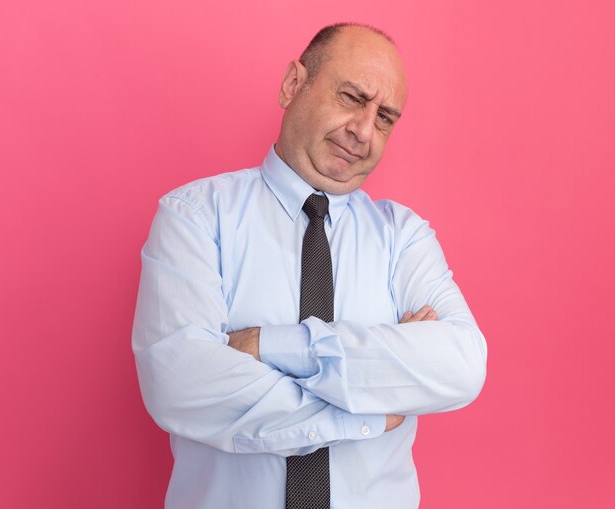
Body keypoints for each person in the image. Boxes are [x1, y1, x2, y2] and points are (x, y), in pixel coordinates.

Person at [132, 22, 487, 509]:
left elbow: (462, 365)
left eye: (384, 117)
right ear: (292, 85)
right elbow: (180, 381)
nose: (363, 130)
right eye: (350, 97)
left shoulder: (404, 237)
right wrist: (364, 408)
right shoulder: (195, 216)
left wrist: (269, 345)